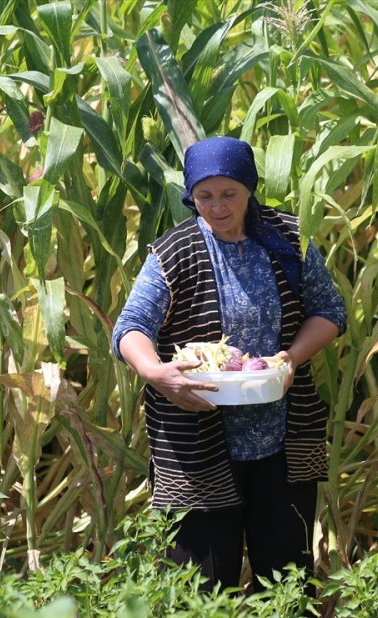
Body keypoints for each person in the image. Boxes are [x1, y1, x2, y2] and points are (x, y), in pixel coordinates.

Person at [111, 136, 347, 593]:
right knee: (198, 586)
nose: (217, 207)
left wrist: (290, 357)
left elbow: (330, 311)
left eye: (229, 194)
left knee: (287, 584)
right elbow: (131, 326)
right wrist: (155, 373)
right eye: (204, 196)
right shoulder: (175, 252)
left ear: (250, 188)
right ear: (191, 196)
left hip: (281, 442)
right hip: (197, 445)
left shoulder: (288, 238)